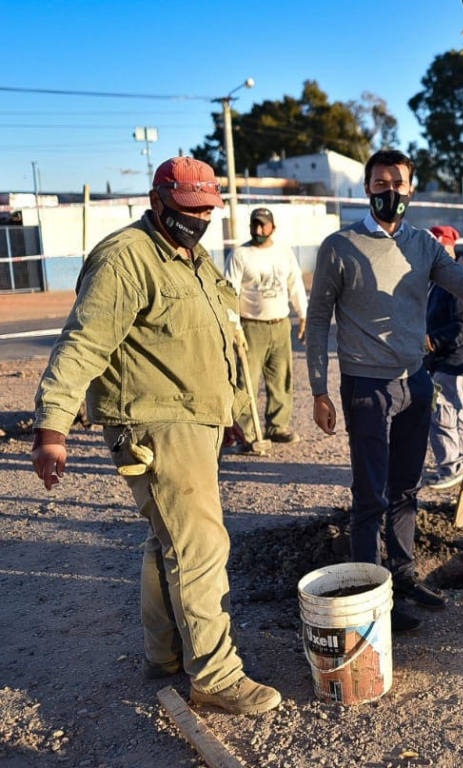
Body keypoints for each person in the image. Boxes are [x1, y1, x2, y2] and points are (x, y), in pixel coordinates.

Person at [30, 156, 282, 715]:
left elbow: (223, 339)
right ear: (158, 201)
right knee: (201, 547)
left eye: (207, 210)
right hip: (153, 422)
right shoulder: (126, 260)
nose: (199, 220)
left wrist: (238, 410)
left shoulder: (194, 258)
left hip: (196, 419)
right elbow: (82, 344)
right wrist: (53, 428)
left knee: (167, 539)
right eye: (189, 210)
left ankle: (164, 654)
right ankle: (215, 676)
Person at [306, 149, 463, 632]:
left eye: (398, 182)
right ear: (366, 189)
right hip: (366, 385)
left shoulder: (423, 245)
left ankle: (402, 575)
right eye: (380, 183)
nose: (389, 191)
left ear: (412, 189)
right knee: (369, 494)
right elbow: (318, 321)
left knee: (405, 489)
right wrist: (319, 389)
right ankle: (369, 596)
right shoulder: (339, 245)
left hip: (415, 381)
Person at [225, 207, 307, 447]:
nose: (259, 229)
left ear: (273, 227)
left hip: (280, 324)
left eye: (263, 225)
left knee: (281, 378)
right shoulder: (240, 255)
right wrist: (235, 327)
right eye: (255, 225)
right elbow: (230, 292)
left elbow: (295, 284)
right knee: (246, 381)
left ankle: (277, 426)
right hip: (251, 326)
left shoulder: (284, 253)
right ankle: (247, 434)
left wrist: (303, 315)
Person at [423, 225, 463, 490]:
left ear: (446, 247)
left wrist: (431, 341)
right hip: (444, 357)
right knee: (456, 410)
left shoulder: (458, 279)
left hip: (454, 358)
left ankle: (451, 467)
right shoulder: (438, 277)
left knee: (441, 410)